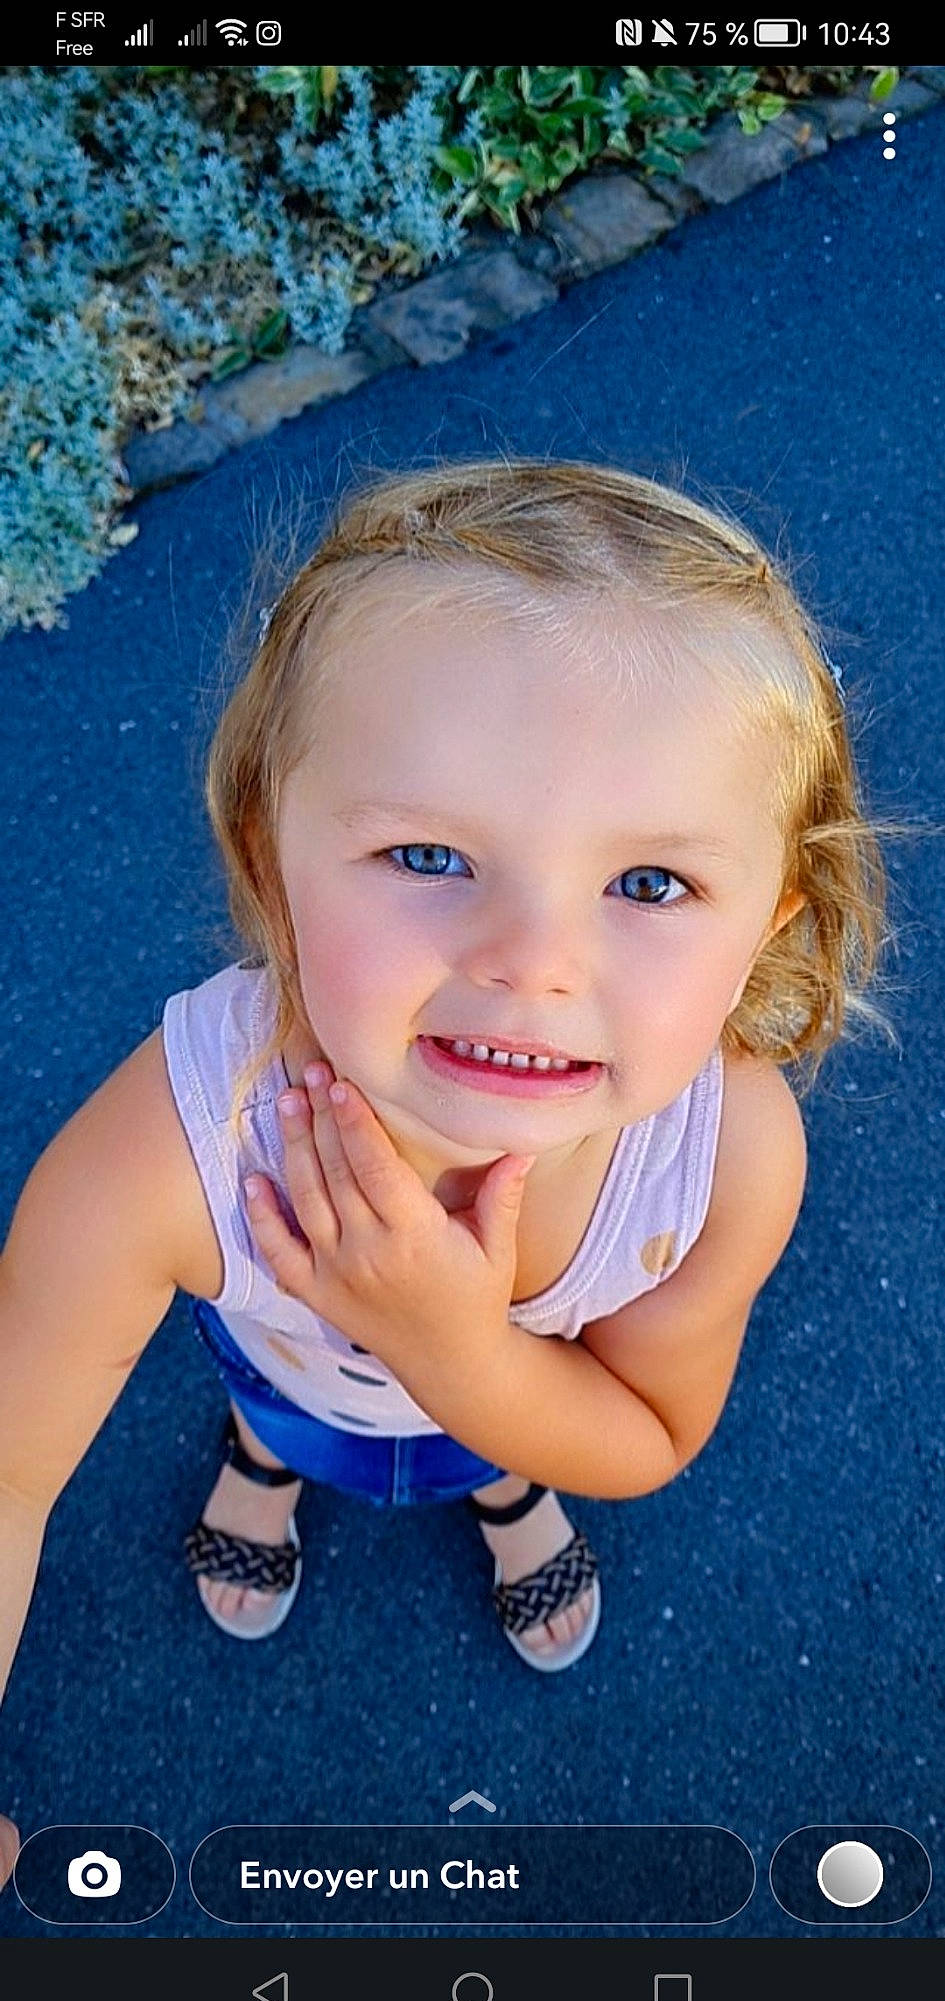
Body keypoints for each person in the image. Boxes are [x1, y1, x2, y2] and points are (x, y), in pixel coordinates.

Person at [0, 456, 905, 1874]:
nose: (531, 963)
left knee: (496, 1447)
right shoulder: (174, 1150)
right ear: (267, 844)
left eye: (650, 885)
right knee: (284, 1415)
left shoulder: (725, 1161)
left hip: (504, 1400)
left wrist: (453, 1345)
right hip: (295, 1379)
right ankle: (265, 1465)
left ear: (762, 922)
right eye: (426, 853)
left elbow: (646, 1431)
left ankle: (497, 1488)